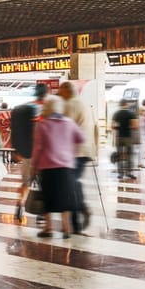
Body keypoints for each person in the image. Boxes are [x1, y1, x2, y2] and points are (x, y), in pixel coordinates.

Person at [32, 95, 85, 239]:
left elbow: (37, 148)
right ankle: (66, 228)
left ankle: (48, 228)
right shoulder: (69, 123)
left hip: (47, 167)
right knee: (65, 198)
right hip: (67, 167)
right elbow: (81, 138)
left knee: (48, 197)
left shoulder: (42, 125)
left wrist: (33, 166)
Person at [59, 82, 95, 231]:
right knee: (74, 183)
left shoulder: (70, 104)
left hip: (75, 152)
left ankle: (78, 213)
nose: (59, 94)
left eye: (61, 91)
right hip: (85, 150)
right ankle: (78, 215)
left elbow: (66, 129)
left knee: (70, 185)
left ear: (67, 91)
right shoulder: (83, 104)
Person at [10, 84, 47, 219]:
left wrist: (17, 150)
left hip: (27, 153)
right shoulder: (46, 109)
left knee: (26, 182)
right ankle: (41, 211)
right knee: (43, 182)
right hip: (42, 154)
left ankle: (20, 203)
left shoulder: (24, 108)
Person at [111, 100, 138, 180]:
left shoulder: (116, 114)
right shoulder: (131, 114)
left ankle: (120, 174)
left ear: (120, 105)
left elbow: (112, 126)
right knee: (129, 155)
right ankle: (129, 173)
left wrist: (119, 128)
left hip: (119, 137)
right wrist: (129, 126)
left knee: (119, 155)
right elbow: (135, 126)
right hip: (128, 137)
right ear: (127, 104)